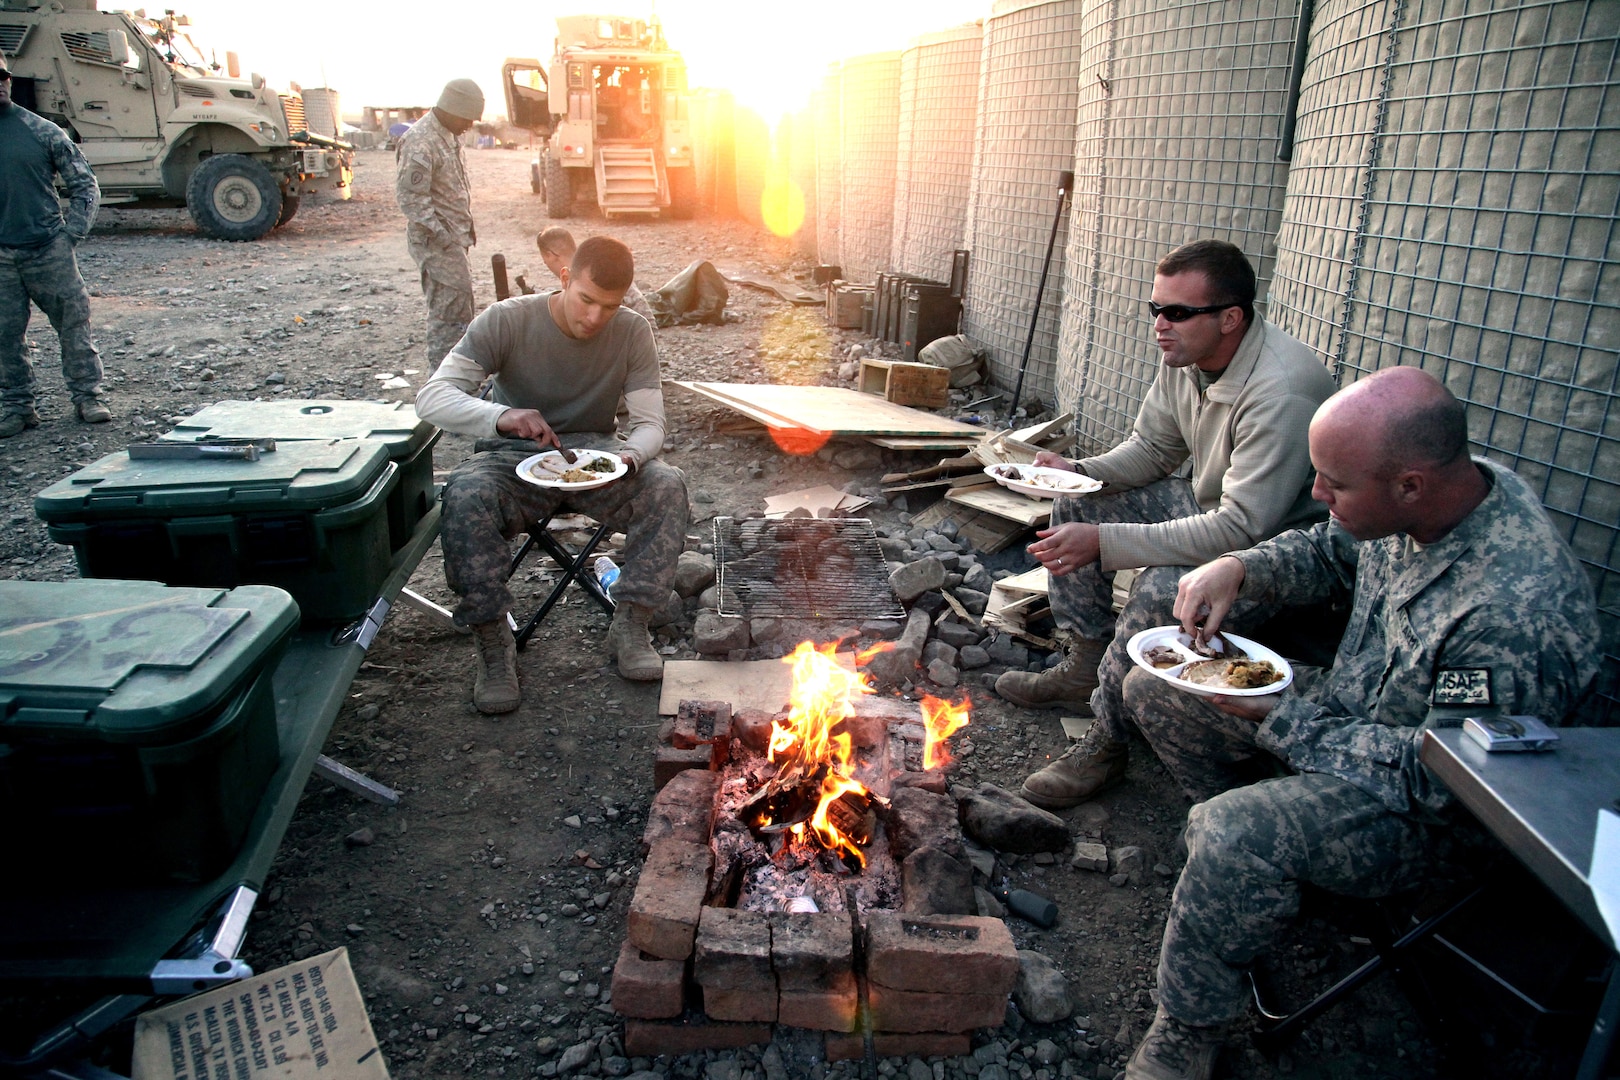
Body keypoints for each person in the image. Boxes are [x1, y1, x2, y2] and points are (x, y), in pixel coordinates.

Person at [1119, 366, 1599, 1080]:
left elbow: (1445, 781)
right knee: (1157, 688)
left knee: (1232, 833)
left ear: (1409, 484)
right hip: (1354, 713)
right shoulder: (1423, 496)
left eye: (1333, 485)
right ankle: (1249, 880)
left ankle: (1190, 1033)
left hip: (1431, 812)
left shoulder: (1511, 615)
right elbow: (1329, 551)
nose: (1317, 495)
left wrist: (1286, 722)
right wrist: (1241, 568)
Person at [1006, 239, 1337, 808]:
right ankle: (1086, 663)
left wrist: (1108, 544)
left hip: (1278, 556)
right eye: (1155, 309)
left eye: (1177, 313)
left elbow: (1243, 528)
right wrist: (1079, 472)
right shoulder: (1190, 360)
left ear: (1230, 318)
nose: (1160, 324)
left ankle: (1107, 741)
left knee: (1162, 589)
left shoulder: (1280, 390)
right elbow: (1153, 450)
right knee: (1079, 503)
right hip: (1218, 514)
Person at [416, 236, 688, 715]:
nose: (594, 318)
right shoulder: (507, 319)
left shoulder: (632, 331)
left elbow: (650, 424)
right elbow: (433, 398)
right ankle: (493, 640)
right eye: (586, 299)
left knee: (666, 484)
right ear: (565, 279)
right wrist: (502, 417)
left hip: (596, 456)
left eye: (610, 306)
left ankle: (630, 622)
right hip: (512, 453)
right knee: (465, 494)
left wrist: (630, 458)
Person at [0, 55, 110, 438]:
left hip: (48, 250)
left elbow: (85, 185)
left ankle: (87, 397)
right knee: (4, 336)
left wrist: (70, 237)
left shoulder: (42, 131)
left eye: (3, 76)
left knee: (74, 326)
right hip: (2, 258)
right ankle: (17, 406)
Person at [396, 79, 483, 366]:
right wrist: (444, 238)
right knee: (448, 317)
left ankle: (456, 383)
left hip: (452, 241)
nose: (469, 125)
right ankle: (442, 389)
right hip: (437, 244)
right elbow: (411, 199)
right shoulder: (421, 140)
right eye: (467, 118)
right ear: (452, 109)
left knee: (460, 311)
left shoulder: (448, 134)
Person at [537, 227, 656, 325]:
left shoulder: (591, 275)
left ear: (550, 255)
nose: (594, 318)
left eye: (586, 299)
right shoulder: (592, 267)